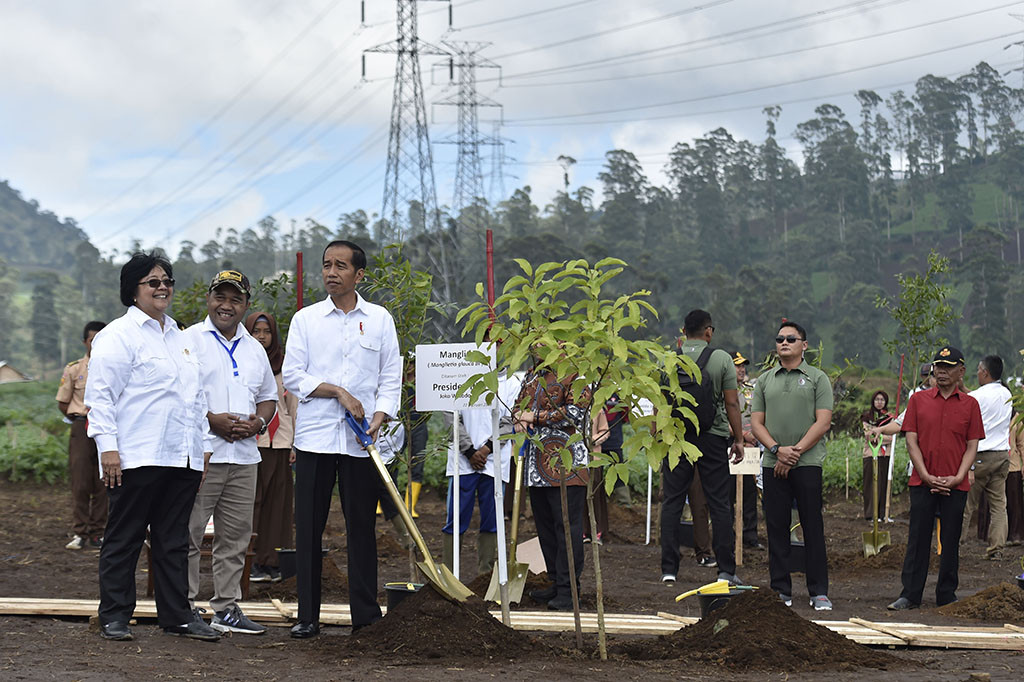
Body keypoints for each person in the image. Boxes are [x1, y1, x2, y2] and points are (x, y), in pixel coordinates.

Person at [85, 252, 219, 641]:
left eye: (167, 281)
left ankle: (177, 616)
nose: (163, 288)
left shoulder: (181, 338)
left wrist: (202, 449)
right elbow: (101, 397)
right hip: (136, 455)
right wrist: (108, 448)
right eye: (153, 282)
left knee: (174, 540)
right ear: (133, 290)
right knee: (125, 537)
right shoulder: (118, 335)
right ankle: (114, 615)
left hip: (182, 456)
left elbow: (196, 398)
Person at [282, 240, 402, 638]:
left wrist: (381, 415)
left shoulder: (380, 319)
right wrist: (338, 392)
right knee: (309, 528)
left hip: (360, 441)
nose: (331, 273)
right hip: (315, 439)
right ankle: (307, 616)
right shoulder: (306, 320)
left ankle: (365, 617)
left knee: (361, 528)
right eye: (326, 265)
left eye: (341, 266)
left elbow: (390, 376)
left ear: (359, 274)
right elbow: (294, 375)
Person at [185, 271, 277, 635]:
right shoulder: (188, 340)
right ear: (209, 299)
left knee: (236, 537)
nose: (227, 305)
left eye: (235, 299)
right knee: (189, 533)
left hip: (244, 458)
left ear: (246, 305)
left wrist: (258, 423)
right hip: (201, 456)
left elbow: (268, 398)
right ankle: (184, 606)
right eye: (220, 297)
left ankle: (226, 608)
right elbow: (178, 395)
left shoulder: (255, 348)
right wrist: (212, 421)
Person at [888, 346, 983, 611]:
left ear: (961, 371)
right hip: (922, 482)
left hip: (956, 483)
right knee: (917, 538)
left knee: (951, 540)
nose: (941, 372)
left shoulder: (970, 405)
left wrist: (958, 476)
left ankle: (946, 594)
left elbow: (972, 446)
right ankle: (910, 595)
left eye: (948, 367)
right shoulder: (918, 400)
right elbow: (911, 440)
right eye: (938, 366)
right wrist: (926, 475)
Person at [750, 320, 834, 611]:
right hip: (773, 462)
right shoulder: (764, 380)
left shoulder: (817, 378)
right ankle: (780, 590)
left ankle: (818, 591)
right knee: (776, 527)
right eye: (780, 339)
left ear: (804, 345)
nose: (784, 343)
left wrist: (794, 453)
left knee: (812, 526)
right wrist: (776, 450)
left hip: (807, 463)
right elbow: (756, 423)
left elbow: (823, 422)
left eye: (791, 339)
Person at [659, 310, 744, 585]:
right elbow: (732, 402)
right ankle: (726, 570)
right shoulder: (721, 359)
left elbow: (661, 403)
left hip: (677, 439)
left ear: (683, 331)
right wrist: (739, 439)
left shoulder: (668, 360)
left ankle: (669, 569)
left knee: (672, 501)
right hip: (712, 436)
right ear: (709, 331)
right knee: (719, 503)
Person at [514, 360, 591, 611]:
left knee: (566, 527)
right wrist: (519, 418)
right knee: (545, 528)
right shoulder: (532, 375)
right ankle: (557, 582)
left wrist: (533, 416)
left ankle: (570, 590)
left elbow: (574, 414)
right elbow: (517, 406)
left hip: (567, 465)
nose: (537, 346)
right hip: (536, 467)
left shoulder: (575, 372)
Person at [442, 371, 516, 575]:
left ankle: (486, 573)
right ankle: (449, 575)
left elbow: (510, 420)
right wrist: (469, 451)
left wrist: (486, 449)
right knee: (456, 517)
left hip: (494, 463)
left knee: (492, 518)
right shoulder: (458, 375)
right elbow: (450, 416)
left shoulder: (511, 383)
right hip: (463, 463)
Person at [246, 311, 297, 583]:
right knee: (252, 503)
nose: (261, 337)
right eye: (256, 331)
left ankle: (273, 561)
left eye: (266, 332)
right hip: (249, 443)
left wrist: (295, 444)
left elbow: (293, 407)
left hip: (280, 444)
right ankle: (250, 561)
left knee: (278, 505)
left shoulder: (286, 366)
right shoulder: (242, 361)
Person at [56, 320, 107, 550]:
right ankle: (80, 532)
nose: (96, 344)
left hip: (107, 428)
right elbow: (63, 402)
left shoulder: (114, 367)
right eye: (92, 340)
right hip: (82, 427)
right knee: (81, 481)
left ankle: (98, 532)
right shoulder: (74, 369)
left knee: (106, 481)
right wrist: (80, 418)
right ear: (85, 342)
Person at [962, 355, 1012, 558]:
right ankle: (997, 549)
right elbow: (978, 398)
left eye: (978, 370)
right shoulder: (1007, 394)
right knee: (999, 506)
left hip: (980, 456)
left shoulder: (977, 397)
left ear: (985, 372)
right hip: (1002, 456)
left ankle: (954, 545)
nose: (977, 373)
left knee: (966, 504)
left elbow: (972, 402)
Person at [732, 351, 762, 549]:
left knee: (750, 493)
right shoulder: (723, 391)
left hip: (751, 446)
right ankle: (729, 536)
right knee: (728, 493)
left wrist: (753, 437)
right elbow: (722, 420)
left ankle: (750, 536)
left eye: (743, 366)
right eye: (738, 366)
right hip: (730, 445)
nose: (742, 370)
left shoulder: (750, 390)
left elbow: (758, 416)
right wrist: (742, 436)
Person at [861, 391, 895, 521]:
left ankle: (883, 514)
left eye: (882, 400)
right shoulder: (866, 418)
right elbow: (869, 436)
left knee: (884, 484)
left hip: (886, 455)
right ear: (873, 401)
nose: (879, 402)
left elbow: (892, 438)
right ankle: (871, 514)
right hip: (871, 454)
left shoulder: (890, 418)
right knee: (871, 485)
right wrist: (884, 435)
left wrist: (878, 434)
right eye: (877, 399)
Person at [1007, 415, 1024, 544]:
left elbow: (1021, 443)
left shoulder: (1015, 417)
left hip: (1013, 465)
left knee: (1015, 501)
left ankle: (1015, 535)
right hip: (993, 465)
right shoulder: (989, 411)